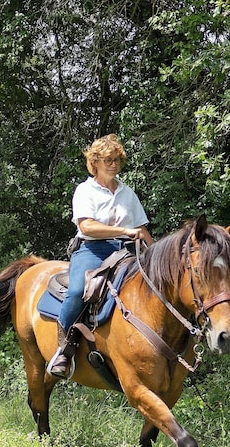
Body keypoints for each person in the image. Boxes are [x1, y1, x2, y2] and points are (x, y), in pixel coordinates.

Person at [47, 134, 153, 379]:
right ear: (95, 162)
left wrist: (156, 253)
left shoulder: (128, 193)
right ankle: (63, 349)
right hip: (93, 250)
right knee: (77, 291)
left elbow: (143, 230)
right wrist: (124, 230)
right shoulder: (85, 191)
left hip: (127, 251)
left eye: (117, 159)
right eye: (108, 160)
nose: (114, 164)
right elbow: (87, 227)